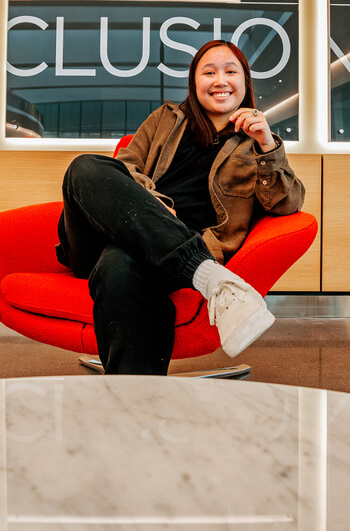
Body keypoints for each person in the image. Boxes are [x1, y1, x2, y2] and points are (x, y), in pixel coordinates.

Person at [55, 39, 305, 375]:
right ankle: (212, 279)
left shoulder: (256, 145)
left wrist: (267, 144)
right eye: (209, 72)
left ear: (245, 84)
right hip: (107, 234)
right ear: (194, 82)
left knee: (120, 265)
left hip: (168, 251)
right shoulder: (164, 119)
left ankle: (134, 400)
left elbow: (287, 203)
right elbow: (127, 165)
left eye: (231, 71)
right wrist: (152, 204)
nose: (220, 80)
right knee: (85, 167)